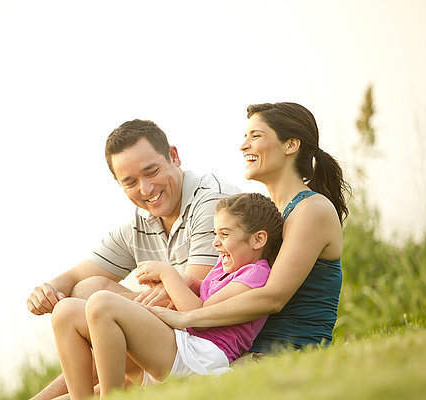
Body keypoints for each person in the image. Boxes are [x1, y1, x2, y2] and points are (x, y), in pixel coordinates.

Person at [26, 119, 236, 399]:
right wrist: (48, 290)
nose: (146, 189)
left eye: (151, 172)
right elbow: (76, 277)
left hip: (202, 344)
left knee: (99, 302)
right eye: (131, 182)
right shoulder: (143, 221)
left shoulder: (212, 202)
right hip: (164, 342)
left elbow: (192, 305)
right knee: (85, 290)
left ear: (173, 156)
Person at [148, 102, 350, 353]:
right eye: (245, 137)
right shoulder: (270, 214)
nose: (244, 146)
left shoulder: (311, 210)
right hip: (245, 351)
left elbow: (273, 297)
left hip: (286, 354)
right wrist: (191, 285)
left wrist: (187, 318)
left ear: (291, 145)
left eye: (256, 136)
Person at [51, 193, 283, 399]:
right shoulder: (224, 270)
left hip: (200, 358)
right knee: (65, 312)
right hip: (177, 350)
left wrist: (167, 272)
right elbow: (207, 294)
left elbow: (199, 315)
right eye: (215, 233)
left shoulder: (256, 273)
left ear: (258, 240)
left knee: (102, 303)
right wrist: (188, 282)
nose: (216, 242)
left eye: (224, 234)